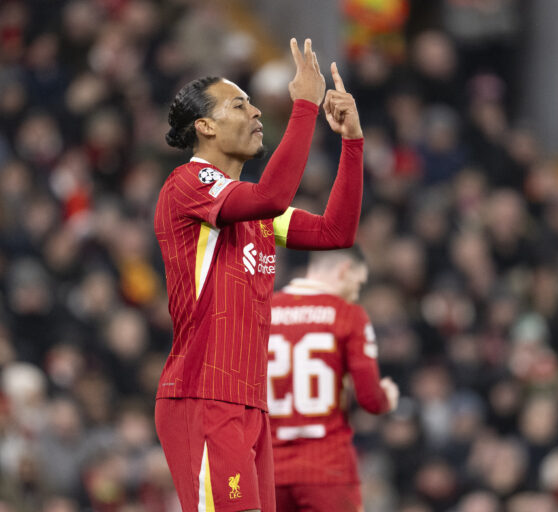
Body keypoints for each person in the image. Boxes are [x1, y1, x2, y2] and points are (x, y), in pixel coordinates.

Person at [153, 38, 365, 512]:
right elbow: (272, 196)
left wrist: (352, 142)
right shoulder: (189, 184)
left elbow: (336, 230)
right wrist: (305, 105)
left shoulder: (249, 207)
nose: (255, 113)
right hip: (203, 395)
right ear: (205, 126)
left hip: (249, 401)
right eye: (239, 104)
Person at [268, 248, 399, 512]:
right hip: (327, 465)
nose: (356, 293)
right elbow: (370, 399)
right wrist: (387, 397)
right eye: (358, 283)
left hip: (268, 468)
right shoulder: (348, 315)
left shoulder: (262, 311)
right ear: (344, 270)